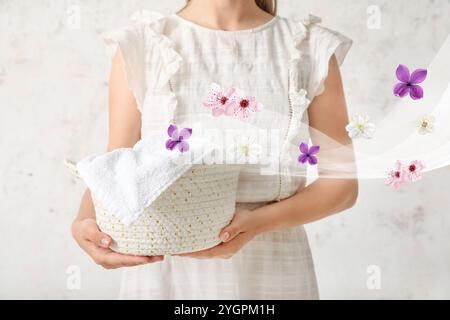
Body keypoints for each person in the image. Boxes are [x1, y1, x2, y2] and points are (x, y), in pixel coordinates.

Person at [72, 0, 358, 299]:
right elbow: (113, 169)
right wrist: (84, 224)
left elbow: (341, 186)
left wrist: (256, 225)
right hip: (165, 274)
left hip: (273, 272)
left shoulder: (311, 48)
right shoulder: (142, 46)